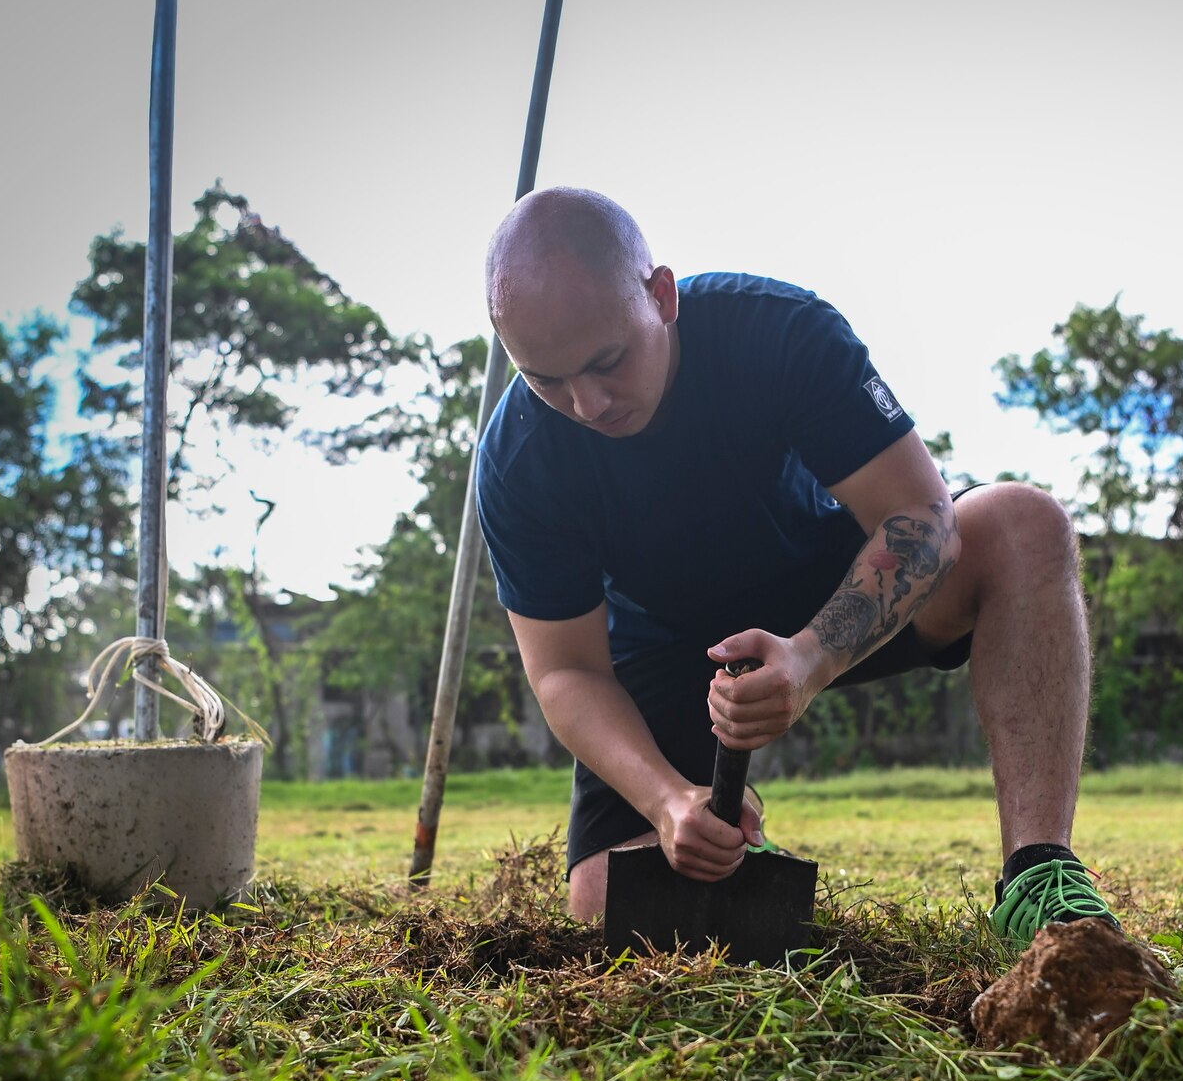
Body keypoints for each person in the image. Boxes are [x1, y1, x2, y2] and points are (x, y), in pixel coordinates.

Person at [475, 186, 1115, 946]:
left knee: (1020, 522)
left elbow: (923, 519)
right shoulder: (518, 460)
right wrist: (667, 801)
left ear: (661, 296)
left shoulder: (778, 331)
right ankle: (736, 852)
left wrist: (809, 659)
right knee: (608, 900)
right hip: (661, 645)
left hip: (825, 585)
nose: (587, 403)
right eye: (546, 379)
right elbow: (565, 673)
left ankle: (1040, 873)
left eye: (607, 360)